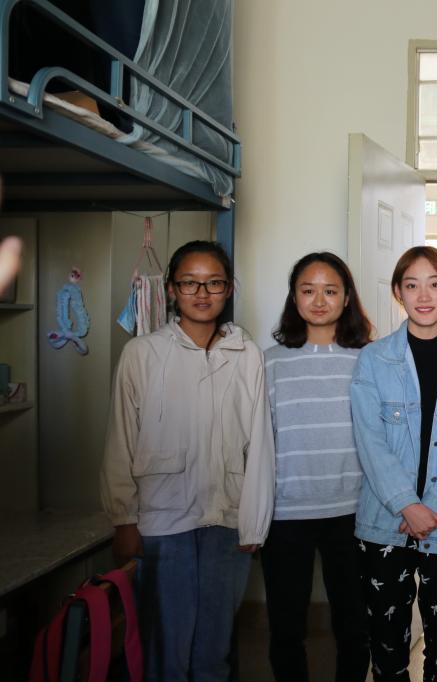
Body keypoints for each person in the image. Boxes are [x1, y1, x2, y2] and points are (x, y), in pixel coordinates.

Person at [100, 240, 275, 681]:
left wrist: (254, 522)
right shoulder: (142, 353)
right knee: (166, 651)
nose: (201, 293)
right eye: (189, 283)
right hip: (161, 522)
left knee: (214, 651)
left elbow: (260, 443)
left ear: (228, 288)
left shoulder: (247, 354)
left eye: (213, 283)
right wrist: (124, 519)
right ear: (172, 290)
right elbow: (120, 439)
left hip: (227, 519)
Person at [350, 245, 437, 681]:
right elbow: (369, 440)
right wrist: (406, 505)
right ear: (398, 292)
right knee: (387, 647)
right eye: (412, 285)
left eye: (434, 284)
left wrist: (433, 508)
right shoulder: (374, 359)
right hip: (385, 523)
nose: (424, 296)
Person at [262, 252, 373, 682]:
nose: (320, 301)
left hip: (354, 512)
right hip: (285, 513)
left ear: (346, 298)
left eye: (330, 291)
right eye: (308, 291)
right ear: (294, 297)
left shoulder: (367, 359)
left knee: (354, 625)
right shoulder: (270, 361)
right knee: (286, 627)